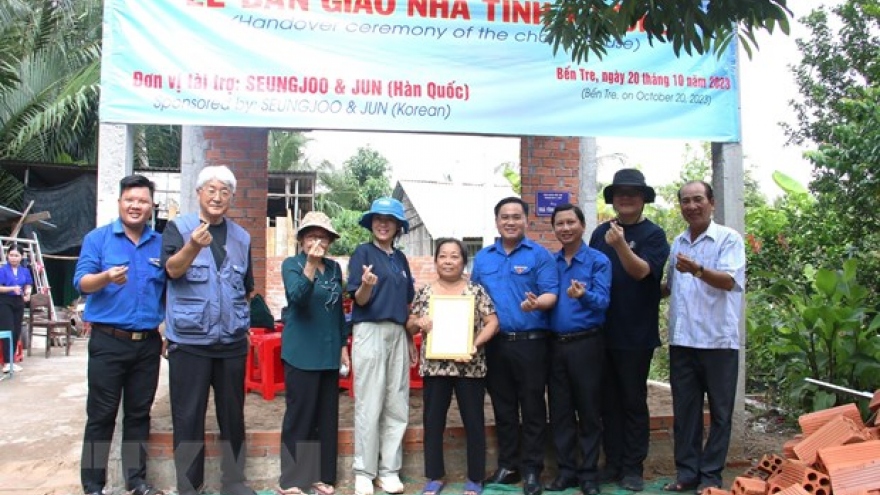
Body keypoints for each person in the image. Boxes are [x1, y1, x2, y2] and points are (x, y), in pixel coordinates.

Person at [162, 165, 256, 495]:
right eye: (211, 190)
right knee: (188, 418)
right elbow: (172, 271)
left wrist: (236, 322)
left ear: (231, 196)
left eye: (224, 191)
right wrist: (192, 246)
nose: (217, 197)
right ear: (199, 193)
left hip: (230, 342)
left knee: (233, 417)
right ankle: (190, 487)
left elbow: (246, 288)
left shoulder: (242, 237)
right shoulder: (178, 228)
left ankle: (234, 482)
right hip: (189, 342)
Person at [74, 175, 166, 495]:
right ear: (119, 203)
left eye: (142, 201)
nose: (135, 206)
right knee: (101, 415)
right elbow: (82, 283)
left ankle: (136, 480)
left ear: (151, 206)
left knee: (139, 414)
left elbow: (167, 292)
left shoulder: (160, 243)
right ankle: (93, 485)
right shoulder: (98, 239)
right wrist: (105, 277)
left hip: (147, 344)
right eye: (130, 199)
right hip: (108, 342)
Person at [471, 197, 559, 495]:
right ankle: (508, 466)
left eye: (516, 216)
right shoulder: (483, 258)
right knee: (503, 407)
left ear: (526, 221)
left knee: (533, 407)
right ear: (496, 221)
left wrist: (538, 303)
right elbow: (473, 299)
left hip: (532, 344)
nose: (510, 221)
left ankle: (533, 470)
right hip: (495, 345)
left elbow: (551, 295)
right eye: (504, 217)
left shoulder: (540, 255)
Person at [662, 180, 745, 495]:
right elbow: (670, 286)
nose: (692, 206)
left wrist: (697, 269)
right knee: (685, 412)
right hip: (683, 342)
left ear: (712, 203)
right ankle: (686, 474)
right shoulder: (677, 242)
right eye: (685, 201)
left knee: (721, 413)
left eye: (698, 200)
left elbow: (729, 281)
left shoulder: (728, 239)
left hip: (718, 342)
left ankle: (710, 476)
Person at [589, 169, 670, 492]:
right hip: (600, 332)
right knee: (606, 402)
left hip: (636, 334)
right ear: (613, 198)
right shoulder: (599, 233)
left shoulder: (654, 235)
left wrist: (621, 244)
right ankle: (613, 463)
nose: (626, 197)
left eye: (633, 193)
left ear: (643, 199)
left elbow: (641, 272)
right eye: (620, 192)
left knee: (632, 401)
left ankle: (633, 467)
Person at [407, 238, 500, 495]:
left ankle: (475, 477)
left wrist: (475, 344)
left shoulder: (475, 291)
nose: (448, 261)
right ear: (436, 260)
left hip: (469, 365)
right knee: (433, 421)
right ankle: (434, 476)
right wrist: (419, 322)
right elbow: (410, 323)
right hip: (436, 368)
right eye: (443, 256)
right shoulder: (425, 292)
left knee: (473, 421)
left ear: (463, 261)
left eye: (454, 256)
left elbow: (492, 322)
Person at [277, 211, 350, 495]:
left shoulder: (334, 269)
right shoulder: (291, 265)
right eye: (311, 236)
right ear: (302, 240)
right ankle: (293, 480)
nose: (317, 241)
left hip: (329, 350)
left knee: (326, 416)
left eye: (322, 236)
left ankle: (321, 476)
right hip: (300, 351)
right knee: (301, 415)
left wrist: (343, 346)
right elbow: (297, 297)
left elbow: (338, 312)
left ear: (330, 241)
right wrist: (309, 265)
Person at [346, 197, 415, 495]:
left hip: (398, 333)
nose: (383, 223)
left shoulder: (400, 260)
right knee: (369, 402)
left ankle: (389, 470)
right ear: (371, 223)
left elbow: (406, 302)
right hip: (369, 330)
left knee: (397, 403)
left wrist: (410, 338)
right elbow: (358, 300)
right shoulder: (362, 252)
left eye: (390, 219)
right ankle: (364, 470)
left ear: (398, 226)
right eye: (378, 218)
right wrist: (367, 285)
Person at [545, 204, 611, 495]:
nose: (565, 228)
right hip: (555, 346)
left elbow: (603, 302)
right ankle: (566, 471)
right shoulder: (550, 263)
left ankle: (588, 474)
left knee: (588, 410)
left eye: (571, 222)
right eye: (559, 223)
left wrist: (583, 295)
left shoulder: (597, 260)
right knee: (559, 412)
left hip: (587, 344)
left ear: (582, 226)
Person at [0, 245, 33, 373]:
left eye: (16, 255)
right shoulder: (2, 270)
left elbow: (28, 284)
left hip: (19, 302)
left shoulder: (25, 271)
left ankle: (11, 360)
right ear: (7, 256)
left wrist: (28, 294)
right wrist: (12, 288)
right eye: (11, 255)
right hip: (5, 301)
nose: (13, 258)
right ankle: (7, 362)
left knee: (16, 330)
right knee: (8, 329)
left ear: (21, 257)